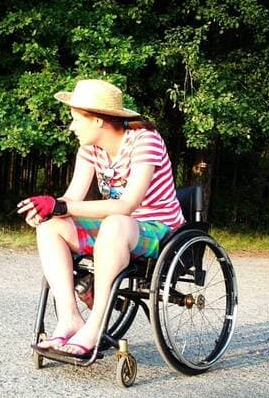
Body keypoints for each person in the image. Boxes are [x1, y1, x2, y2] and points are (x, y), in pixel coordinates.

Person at [17, 79, 184, 360]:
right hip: (114, 229)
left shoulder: (146, 140)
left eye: (76, 119)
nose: (71, 127)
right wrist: (47, 210)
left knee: (116, 222)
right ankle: (70, 318)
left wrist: (60, 207)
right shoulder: (89, 149)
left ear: (97, 120)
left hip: (159, 230)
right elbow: (71, 199)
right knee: (50, 227)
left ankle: (94, 326)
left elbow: (127, 205)